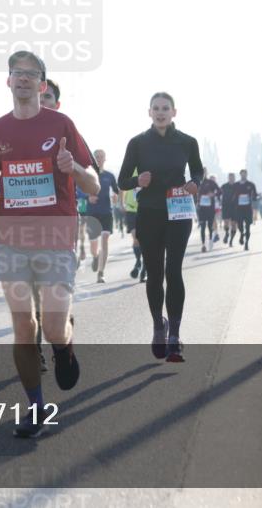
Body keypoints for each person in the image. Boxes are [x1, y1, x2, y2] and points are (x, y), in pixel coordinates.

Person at [0, 51, 98, 438]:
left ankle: (63, 347)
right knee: (23, 324)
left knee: (55, 323)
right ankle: (36, 407)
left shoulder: (61, 124)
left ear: (43, 85)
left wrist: (74, 168)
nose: (23, 79)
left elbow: (93, 184)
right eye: (17, 73)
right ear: (8, 82)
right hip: (10, 236)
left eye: (32, 74)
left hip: (56, 234)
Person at [118, 92, 203, 363]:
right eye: (156, 108)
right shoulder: (138, 142)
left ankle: (175, 336)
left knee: (173, 270)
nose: (161, 112)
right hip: (149, 214)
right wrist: (137, 181)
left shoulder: (187, 142)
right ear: (149, 112)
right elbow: (122, 180)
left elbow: (198, 171)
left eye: (165, 108)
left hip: (178, 212)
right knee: (154, 274)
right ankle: (159, 326)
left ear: (174, 112)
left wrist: (195, 184)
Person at [83, 150, 120, 283]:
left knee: (104, 241)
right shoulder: (88, 174)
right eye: (96, 157)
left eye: (101, 157)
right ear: (93, 159)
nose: (98, 159)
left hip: (106, 213)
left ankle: (101, 272)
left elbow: (116, 191)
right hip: (92, 214)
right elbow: (78, 191)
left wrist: (116, 196)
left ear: (105, 158)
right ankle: (95, 256)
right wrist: (88, 197)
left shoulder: (109, 176)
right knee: (94, 247)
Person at [122, 186, 146, 281]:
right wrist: (121, 203)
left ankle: (144, 269)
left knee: (146, 241)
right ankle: (138, 262)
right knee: (136, 238)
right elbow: (122, 186)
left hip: (146, 209)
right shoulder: (130, 171)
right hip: (131, 210)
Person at [233, 169, 259, 251]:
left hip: (248, 208)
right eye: (242, 174)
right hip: (239, 208)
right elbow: (232, 195)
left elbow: (255, 195)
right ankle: (241, 234)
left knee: (248, 226)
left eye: (245, 174)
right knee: (240, 225)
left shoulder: (251, 184)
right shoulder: (236, 185)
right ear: (240, 175)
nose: (243, 175)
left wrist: (256, 197)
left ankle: (246, 243)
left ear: (246, 175)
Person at [196, 168, 221, 252]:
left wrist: (213, 194)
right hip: (201, 208)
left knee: (210, 226)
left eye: (204, 172)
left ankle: (210, 240)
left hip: (210, 208)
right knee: (202, 227)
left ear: (206, 173)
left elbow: (220, 191)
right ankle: (203, 245)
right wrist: (197, 199)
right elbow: (192, 193)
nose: (203, 174)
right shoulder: (196, 182)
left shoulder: (211, 182)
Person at [220, 173, 238, 245]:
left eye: (233, 177)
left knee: (234, 225)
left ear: (235, 178)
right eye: (230, 177)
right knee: (226, 223)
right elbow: (218, 194)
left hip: (235, 208)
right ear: (228, 178)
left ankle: (231, 240)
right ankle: (227, 233)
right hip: (226, 207)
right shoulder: (224, 186)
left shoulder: (237, 186)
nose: (231, 179)